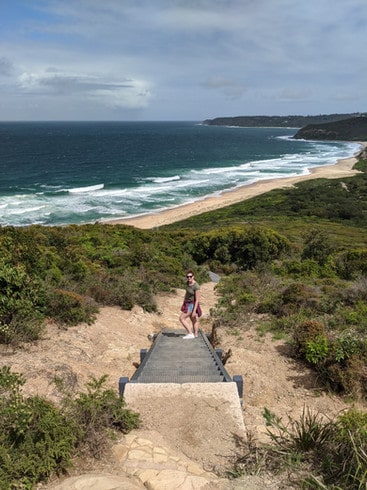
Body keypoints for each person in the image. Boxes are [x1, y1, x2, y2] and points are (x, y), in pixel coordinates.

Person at [180, 270, 202, 339]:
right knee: (193, 319)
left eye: (190, 276)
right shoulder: (188, 283)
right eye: (187, 277)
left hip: (191, 304)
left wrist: (194, 311)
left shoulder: (196, 286)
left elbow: (197, 299)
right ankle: (195, 334)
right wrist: (183, 302)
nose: (189, 278)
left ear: (193, 277)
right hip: (187, 303)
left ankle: (190, 333)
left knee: (182, 318)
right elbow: (187, 293)